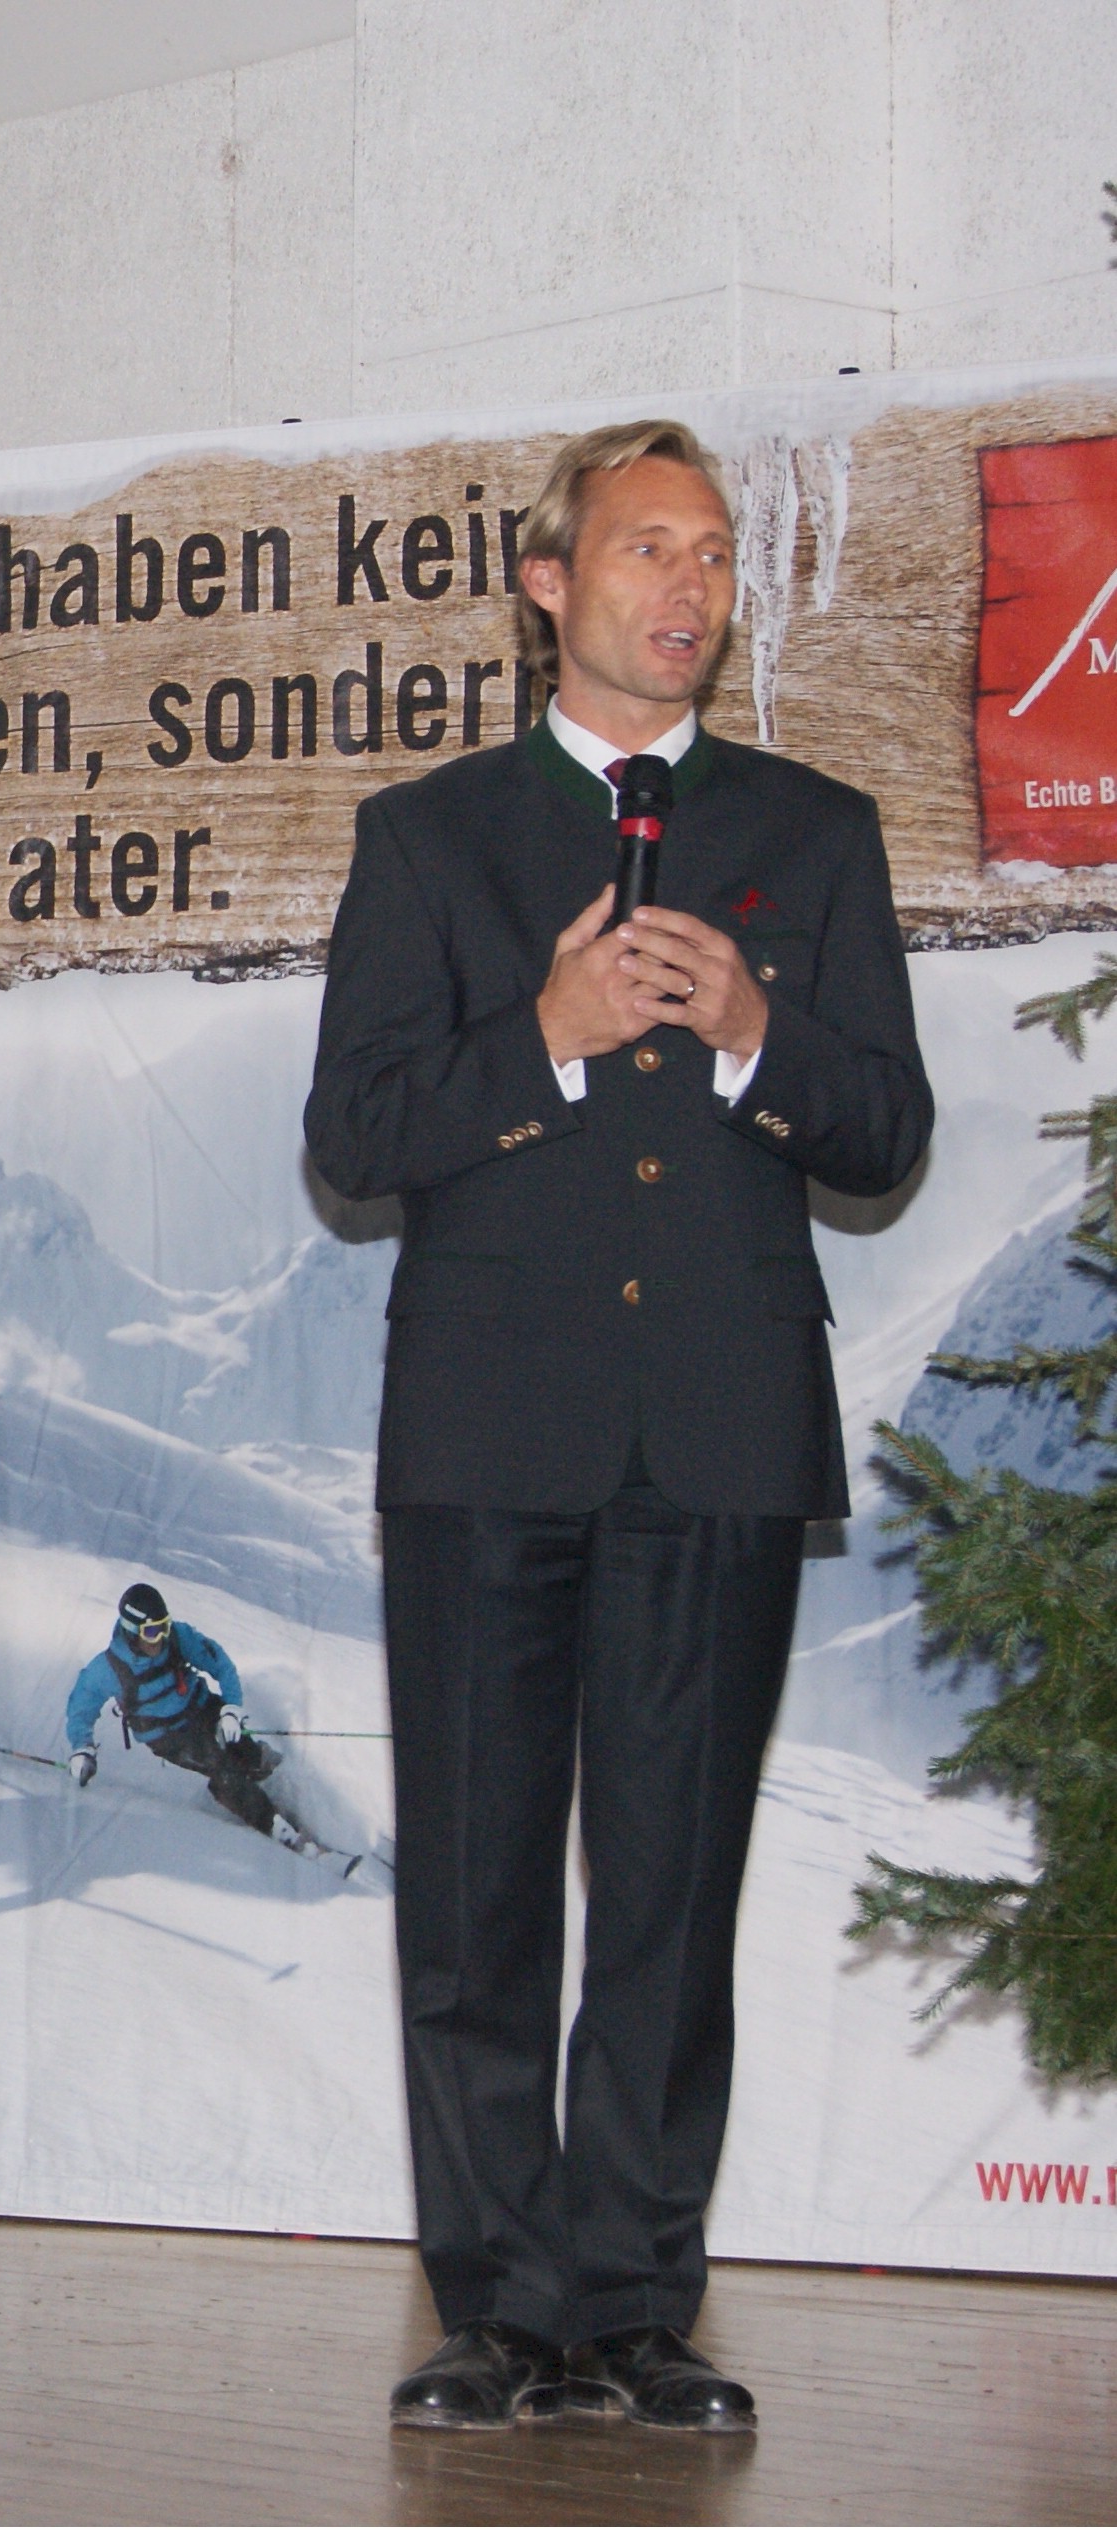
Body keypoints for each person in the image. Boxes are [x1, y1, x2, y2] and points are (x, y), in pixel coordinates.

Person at [306, 420, 932, 2437]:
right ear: (545, 582)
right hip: (487, 1429)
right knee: (471, 1894)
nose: (687, 584)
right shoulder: (428, 836)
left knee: (667, 1896)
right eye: (646, 545)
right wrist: (545, 1043)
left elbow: (882, 1129)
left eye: (713, 552)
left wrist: (751, 1034)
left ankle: (635, 2301)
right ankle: (494, 2304)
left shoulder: (810, 829)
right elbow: (355, 1134)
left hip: (718, 1432)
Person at [61, 1582, 279, 1841]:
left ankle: (271, 1776)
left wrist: (231, 1709)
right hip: (167, 1735)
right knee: (222, 1768)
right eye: (152, 1631)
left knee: (245, 1751)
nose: (161, 1637)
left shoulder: (177, 1637)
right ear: (132, 1632)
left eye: (164, 1626)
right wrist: (82, 1747)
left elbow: (220, 1664)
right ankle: (275, 1827)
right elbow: (80, 1709)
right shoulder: (107, 1669)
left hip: (202, 1707)